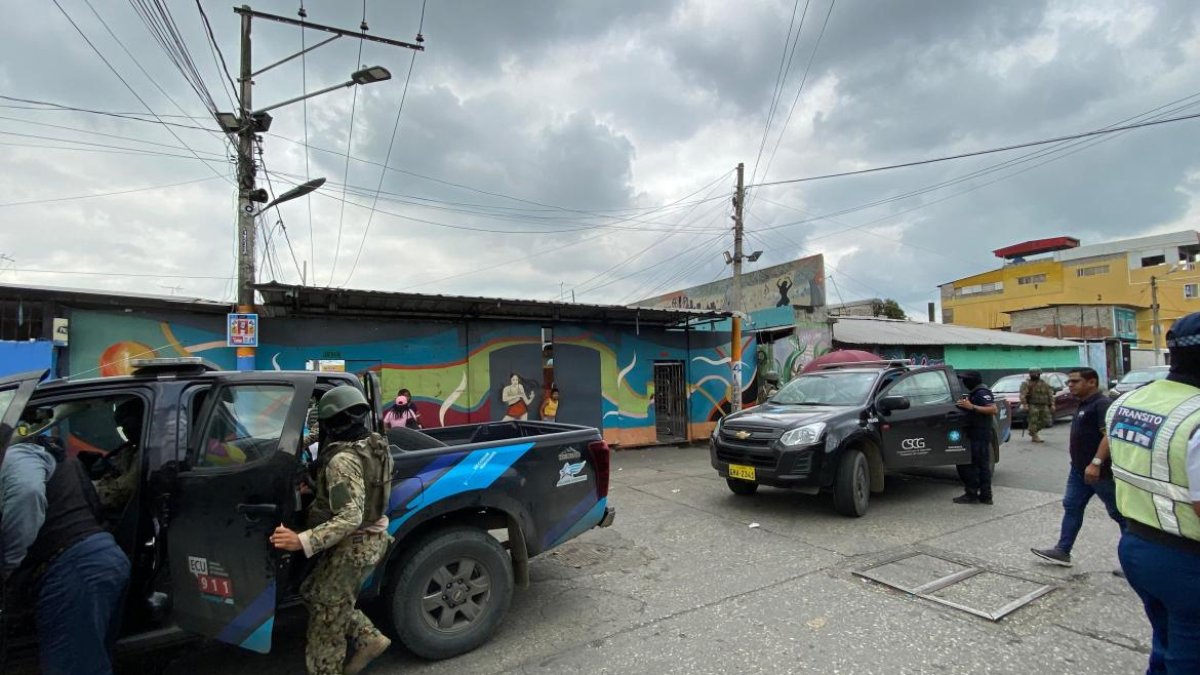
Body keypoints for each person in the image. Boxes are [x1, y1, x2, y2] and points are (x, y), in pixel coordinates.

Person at [269, 386, 395, 675]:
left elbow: (349, 517)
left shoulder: (342, 460)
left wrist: (300, 540)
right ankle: (369, 638)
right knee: (313, 591)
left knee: (327, 620)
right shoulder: (374, 444)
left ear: (329, 422)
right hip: (367, 538)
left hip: (355, 543)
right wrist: (315, 486)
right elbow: (358, 487)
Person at [0, 412, 130, 675]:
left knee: (73, 667)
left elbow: (27, 495)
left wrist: (6, 565)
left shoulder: (17, 455)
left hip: (73, 568)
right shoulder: (52, 455)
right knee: (88, 661)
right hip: (95, 561)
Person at [1108, 313, 1200, 674]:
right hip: (1188, 560)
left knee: (1164, 645)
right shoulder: (1195, 415)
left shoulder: (1130, 402)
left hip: (1138, 549)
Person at [1030, 367, 1126, 566]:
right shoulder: (1083, 404)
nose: (1070, 385)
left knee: (1120, 515)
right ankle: (1062, 551)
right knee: (1072, 506)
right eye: (1069, 382)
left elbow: (1109, 436)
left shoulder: (1101, 404)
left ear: (1092, 382)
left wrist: (1096, 463)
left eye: (1075, 381)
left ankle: (1134, 562)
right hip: (1079, 471)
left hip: (1100, 472)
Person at [953, 371, 999, 505]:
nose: (964, 383)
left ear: (974, 380)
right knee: (978, 465)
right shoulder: (975, 392)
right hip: (976, 432)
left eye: (966, 380)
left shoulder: (981, 392)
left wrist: (971, 407)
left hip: (981, 433)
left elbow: (993, 409)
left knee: (978, 466)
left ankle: (977, 494)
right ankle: (982, 495)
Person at [1020, 368, 1055, 443]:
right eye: (1034, 373)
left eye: (1037, 373)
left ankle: (1032, 431)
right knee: (1033, 420)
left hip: (1044, 404)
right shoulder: (1026, 383)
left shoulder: (1044, 383)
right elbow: (1023, 395)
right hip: (1033, 404)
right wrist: (1025, 405)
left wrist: (1052, 404)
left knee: (1046, 420)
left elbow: (1050, 394)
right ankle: (1034, 435)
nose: (1036, 375)